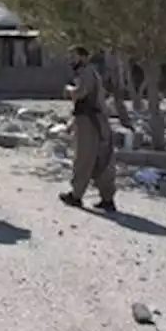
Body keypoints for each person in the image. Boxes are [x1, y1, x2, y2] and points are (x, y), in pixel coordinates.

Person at [60, 44, 117, 212]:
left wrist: (69, 90)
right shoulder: (90, 72)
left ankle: (76, 195)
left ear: (83, 57)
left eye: (74, 56)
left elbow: (80, 93)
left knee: (85, 158)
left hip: (90, 122)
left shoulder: (86, 73)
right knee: (102, 159)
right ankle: (107, 198)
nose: (71, 60)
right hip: (95, 121)